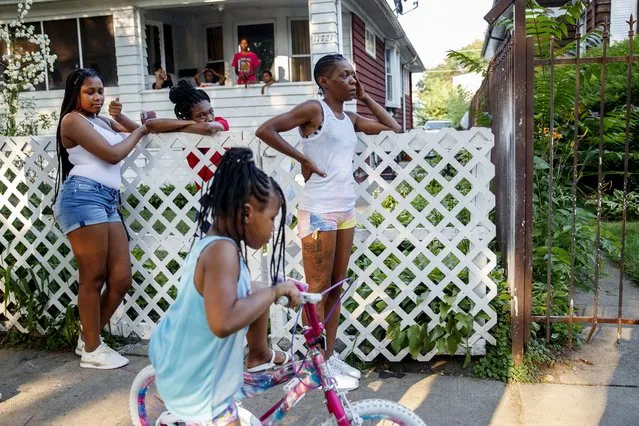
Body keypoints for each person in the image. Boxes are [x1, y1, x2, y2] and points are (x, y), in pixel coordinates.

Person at [110, 81, 295, 373]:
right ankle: (231, 341)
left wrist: (180, 124)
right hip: (213, 209)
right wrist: (123, 120)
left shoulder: (214, 125)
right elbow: (147, 130)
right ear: (186, 116)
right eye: (201, 115)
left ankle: (254, 347)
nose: (209, 118)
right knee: (224, 273)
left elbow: (206, 129)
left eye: (210, 111)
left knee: (241, 274)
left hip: (234, 204)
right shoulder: (184, 132)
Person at [256, 54, 402, 390]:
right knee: (318, 291)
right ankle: (314, 364)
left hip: (346, 210)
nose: (352, 80)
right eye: (344, 75)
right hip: (318, 210)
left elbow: (393, 129)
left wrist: (365, 96)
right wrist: (302, 157)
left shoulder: (348, 118)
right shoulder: (314, 109)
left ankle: (328, 354)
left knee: (336, 288)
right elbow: (266, 130)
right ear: (324, 81)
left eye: (353, 75)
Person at [148, 147, 302, 425]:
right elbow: (223, 322)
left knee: (257, 288)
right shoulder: (222, 252)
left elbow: (249, 292)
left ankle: (259, 355)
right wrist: (274, 292)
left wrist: (273, 288)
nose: (272, 230)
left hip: (184, 360)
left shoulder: (217, 242)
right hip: (198, 386)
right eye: (271, 219)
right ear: (246, 213)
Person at [53, 68, 150, 369]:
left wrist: (122, 119)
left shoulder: (100, 120)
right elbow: (112, 154)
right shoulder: (72, 120)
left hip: (107, 200)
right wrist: (139, 131)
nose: (97, 97)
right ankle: (93, 350)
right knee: (93, 277)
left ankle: (89, 337)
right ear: (75, 94)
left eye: (100, 91)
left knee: (121, 278)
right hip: (83, 197)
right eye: (89, 92)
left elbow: (139, 130)